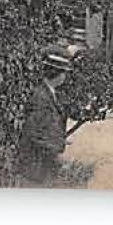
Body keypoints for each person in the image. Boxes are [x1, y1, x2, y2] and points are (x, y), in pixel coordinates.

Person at [17, 52, 73, 185]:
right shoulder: (41, 97)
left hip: (44, 161)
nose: (65, 77)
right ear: (56, 73)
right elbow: (33, 132)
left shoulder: (48, 93)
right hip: (37, 163)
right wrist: (53, 153)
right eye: (64, 73)